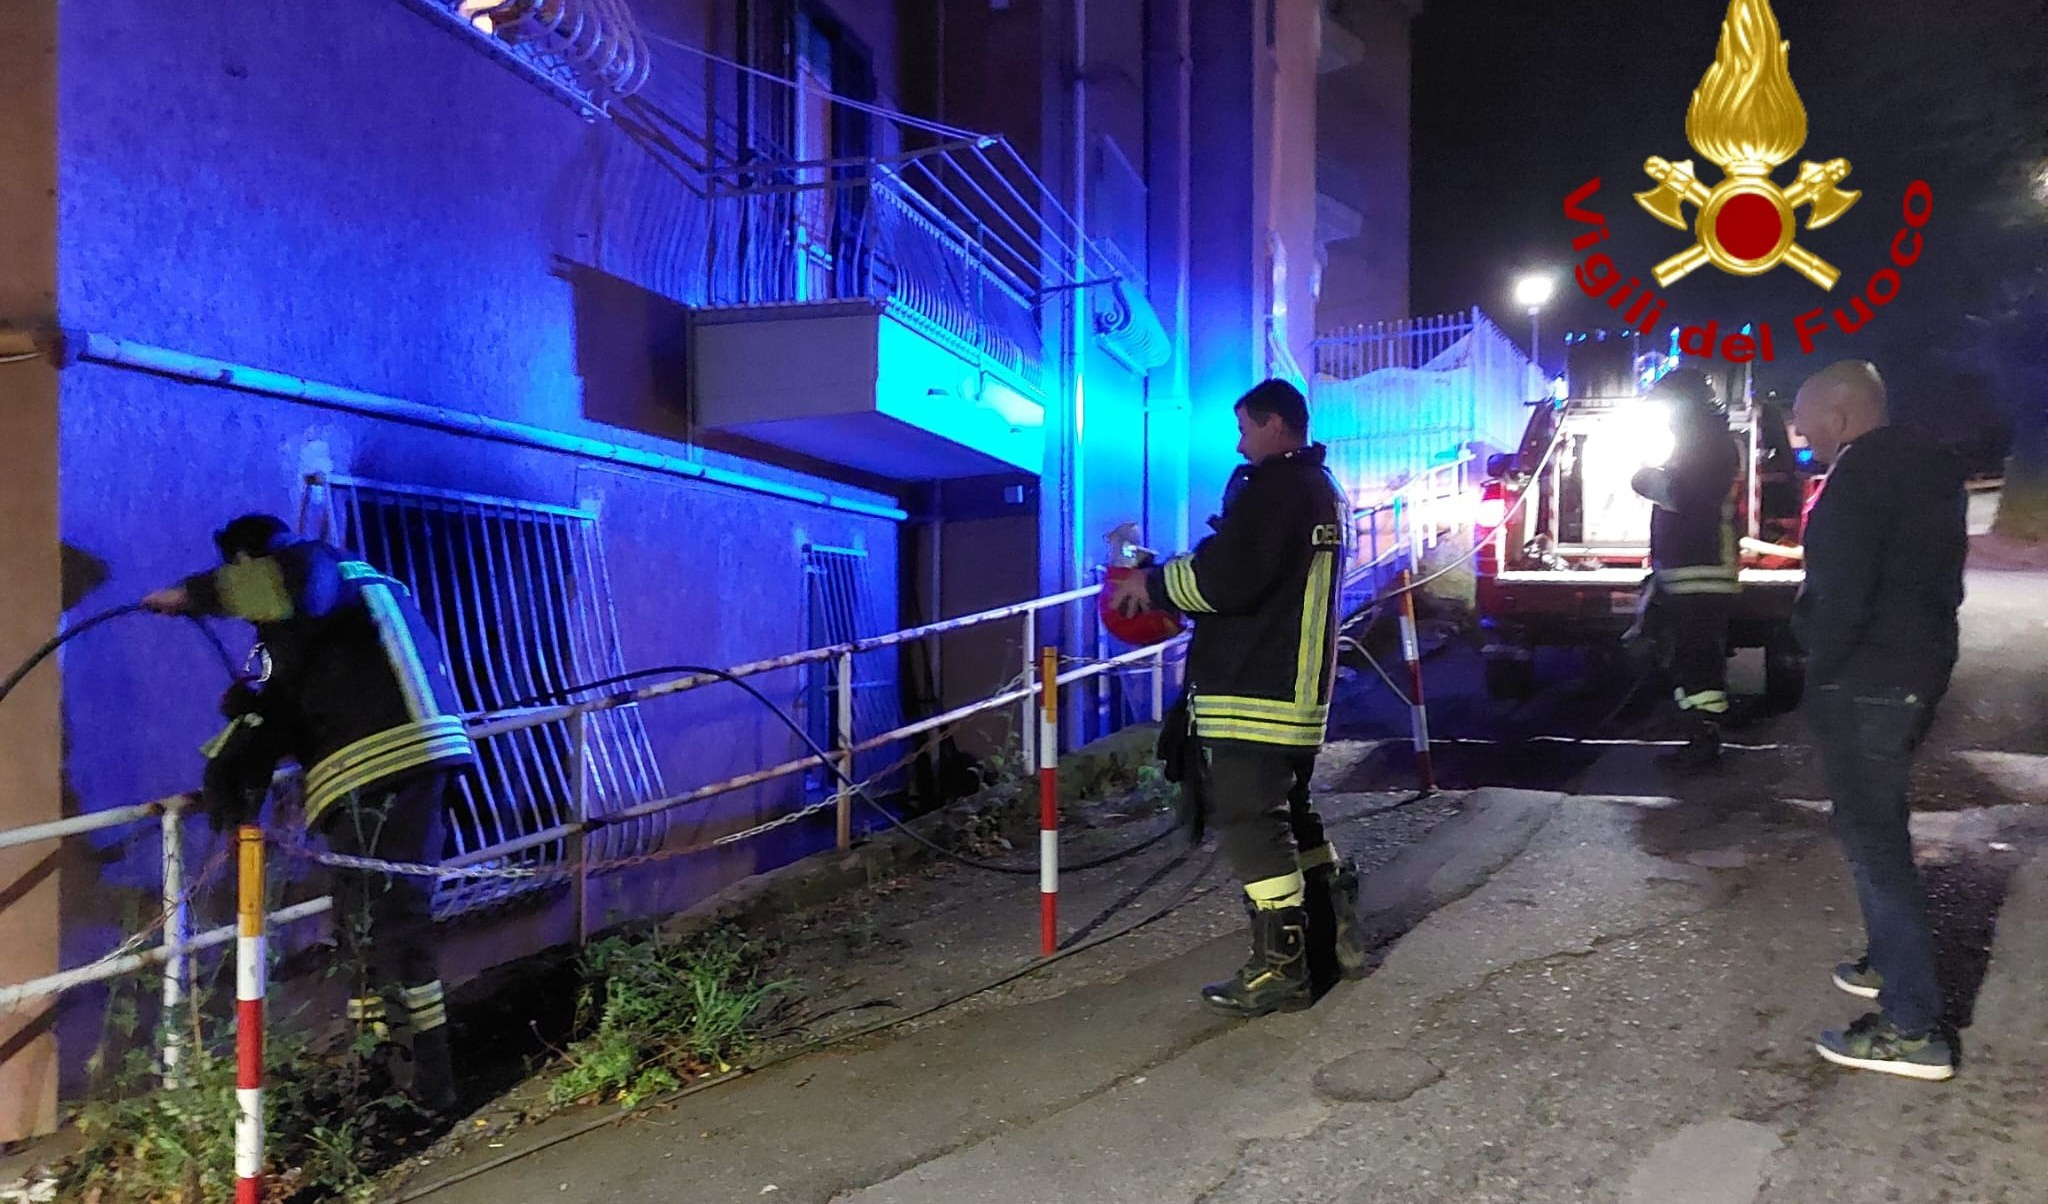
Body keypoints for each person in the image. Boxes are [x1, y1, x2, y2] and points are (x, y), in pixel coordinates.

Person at [144, 514, 478, 1113]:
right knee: (359, 926)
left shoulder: (316, 567)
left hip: (379, 765)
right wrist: (235, 747)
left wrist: (191, 595)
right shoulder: (355, 597)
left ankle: (427, 1086)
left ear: (246, 562)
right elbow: (280, 706)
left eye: (236, 576)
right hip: (402, 762)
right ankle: (384, 1071)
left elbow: (296, 587)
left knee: (390, 927)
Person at [1111, 379, 1362, 1016]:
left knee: (1250, 819)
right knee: (1290, 812)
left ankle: (1282, 968)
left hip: (1258, 688)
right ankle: (1331, 939)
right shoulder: (1320, 489)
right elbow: (1253, 570)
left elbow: (1230, 579)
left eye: (1245, 429)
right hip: (1294, 688)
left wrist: (1153, 584)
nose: (1239, 444)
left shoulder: (1278, 489)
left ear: (1275, 425)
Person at [1791, 361, 1966, 1081]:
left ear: (1841, 416)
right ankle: (1890, 961)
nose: (1805, 440)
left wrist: (1816, 663)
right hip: (1913, 670)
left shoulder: (1861, 477)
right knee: (1878, 828)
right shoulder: (1928, 469)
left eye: (1808, 427)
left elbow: (1840, 592)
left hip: (1869, 681)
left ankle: (1911, 1026)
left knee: (1873, 842)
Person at [1630, 368, 1741, 770]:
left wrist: (1646, 480)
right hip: (1688, 573)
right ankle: (1696, 733)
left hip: (1702, 573)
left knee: (1698, 664)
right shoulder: (1700, 441)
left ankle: (1704, 741)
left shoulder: (1710, 445)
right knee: (1686, 661)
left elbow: (1688, 496)